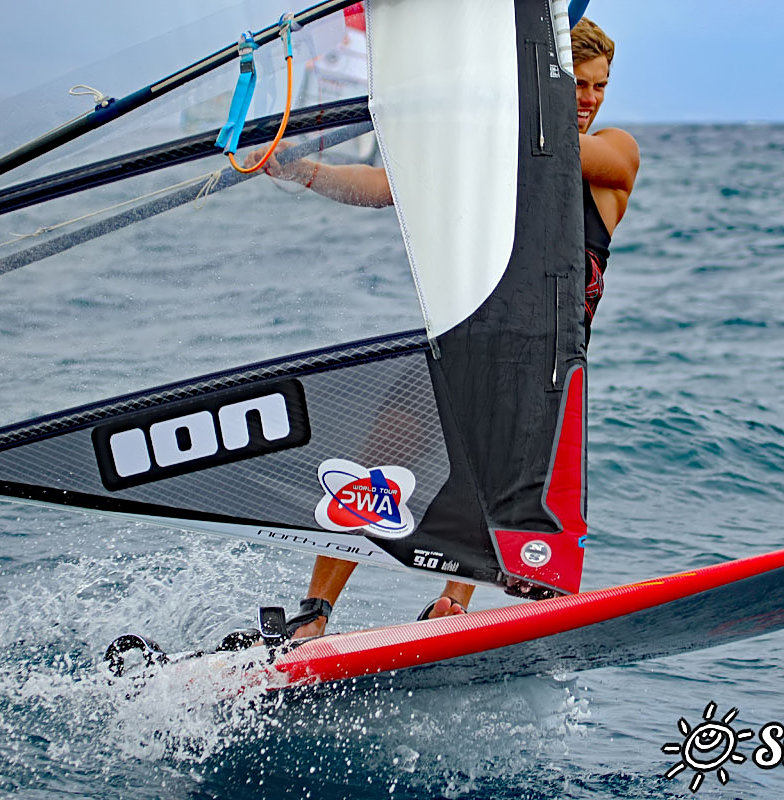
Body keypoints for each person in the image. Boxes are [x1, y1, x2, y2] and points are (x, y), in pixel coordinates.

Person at [245, 17, 638, 639]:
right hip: (462, 340)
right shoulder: (485, 158)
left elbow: (554, 145)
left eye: (600, 86)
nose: (589, 99)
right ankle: (315, 615)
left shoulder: (613, 154)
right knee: (377, 470)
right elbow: (382, 189)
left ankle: (453, 605)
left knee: (498, 486)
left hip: (543, 369)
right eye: (579, 86)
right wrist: (300, 170)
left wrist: (484, 103)